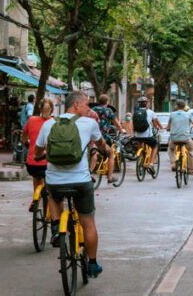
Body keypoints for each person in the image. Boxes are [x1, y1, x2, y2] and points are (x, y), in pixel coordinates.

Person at [33, 90, 111, 278]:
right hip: (81, 182)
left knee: (52, 192)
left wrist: (41, 156)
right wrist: (106, 149)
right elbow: (100, 144)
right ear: (76, 104)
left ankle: (57, 226)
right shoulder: (90, 124)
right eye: (86, 104)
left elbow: (37, 151)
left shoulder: (49, 124)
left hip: (55, 182)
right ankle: (92, 264)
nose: (88, 108)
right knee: (88, 224)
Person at [23, 96, 54, 210]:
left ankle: (35, 199)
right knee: (50, 179)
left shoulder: (31, 120)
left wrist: (27, 143)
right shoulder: (54, 123)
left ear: (39, 109)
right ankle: (49, 200)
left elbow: (24, 136)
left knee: (37, 177)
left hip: (32, 163)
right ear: (52, 110)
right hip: (49, 162)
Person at [90, 93, 125, 184]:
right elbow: (116, 123)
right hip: (104, 137)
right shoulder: (108, 110)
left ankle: (90, 172)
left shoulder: (93, 110)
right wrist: (121, 130)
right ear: (107, 102)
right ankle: (109, 177)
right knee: (111, 154)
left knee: (94, 152)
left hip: (93, 136)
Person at [132, 97, 163, 175]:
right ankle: (151, 164)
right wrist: (161, 127)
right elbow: (157, 122)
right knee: (155, 145)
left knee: (141, 143)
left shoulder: (135, 113)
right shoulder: (151, 112)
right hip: (147, 136)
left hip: (137, 136)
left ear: (139, 104)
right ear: (147, 104)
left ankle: (141, 158)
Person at [167, 98, 193, 173]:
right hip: (185, 138)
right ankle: (191, 169)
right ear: (184, 106)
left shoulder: (172, 114)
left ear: (177, 106)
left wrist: (168, 129)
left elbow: (168, 126)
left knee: (171, 149)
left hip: (174, 138)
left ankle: (173, 163)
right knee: (191, 150)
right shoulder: (188, 114)